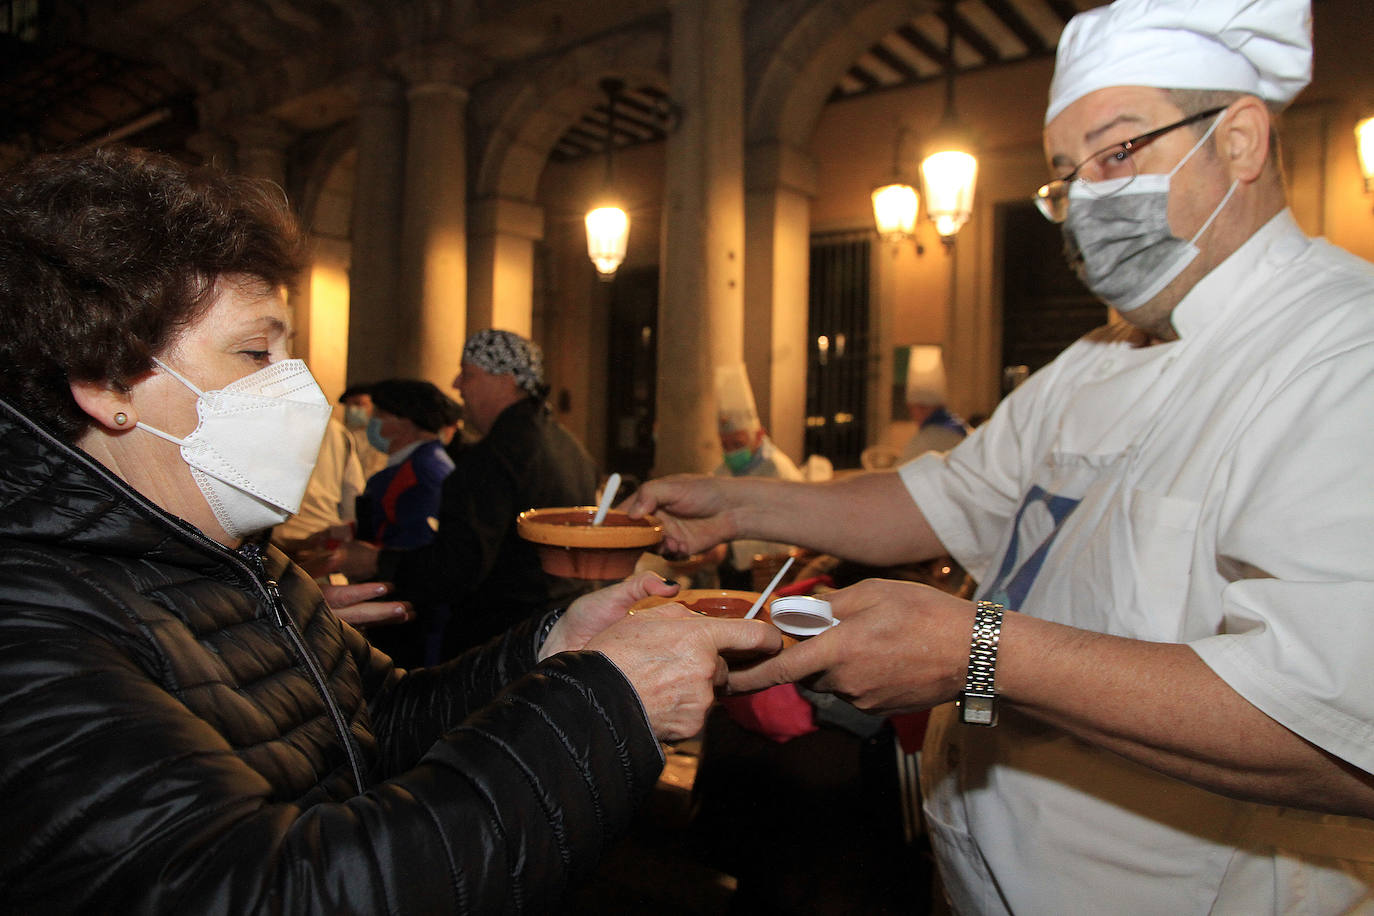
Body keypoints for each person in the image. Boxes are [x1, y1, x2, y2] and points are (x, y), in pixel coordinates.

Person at [625, 1, 1374, 912]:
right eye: (1066, 176)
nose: (1089, 197)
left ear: (1242, 140)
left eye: (1119, 152)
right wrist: (741, 504)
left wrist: (977, 653)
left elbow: (1330, 728)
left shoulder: (1341, 351)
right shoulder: (1098, 358)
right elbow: (945, 499)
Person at [0, 145, 780, 913]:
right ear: (107, 384)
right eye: (252, 351)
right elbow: (275, 891)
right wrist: (607, 703)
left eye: (286, 350)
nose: (297, 386)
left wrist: (556, 649)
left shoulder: (237, 556)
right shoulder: (30, 628)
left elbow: (380, 721)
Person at [333, 329, 602, 658]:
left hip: (505, 644)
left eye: (468, 373)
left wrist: (378, 562)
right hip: (557, 629)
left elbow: (457, 567)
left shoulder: (498, 456)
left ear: (505, 380)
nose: (457, 385)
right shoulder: (568, 446)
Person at [355, 378, 456, 550]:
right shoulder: (425, 463)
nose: (371, 420)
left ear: (404, 420)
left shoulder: (419, 474)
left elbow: (417, 546)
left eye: (379, 413)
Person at [271, 415, 367, 555]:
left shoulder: (272, 419)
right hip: (322, 541)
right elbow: (353, 494)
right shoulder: (337, 431)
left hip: (277, 542)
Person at [897, 345, 971, 463]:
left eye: (912, 409)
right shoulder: (962, 428)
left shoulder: (929, 438)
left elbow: (904, 471)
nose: (912, 415)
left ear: (922, 408)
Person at [339, 383, 388, 478]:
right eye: (348, 405)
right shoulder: (342, 434)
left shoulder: (384, 435)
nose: (352, 409)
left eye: (358, 404)